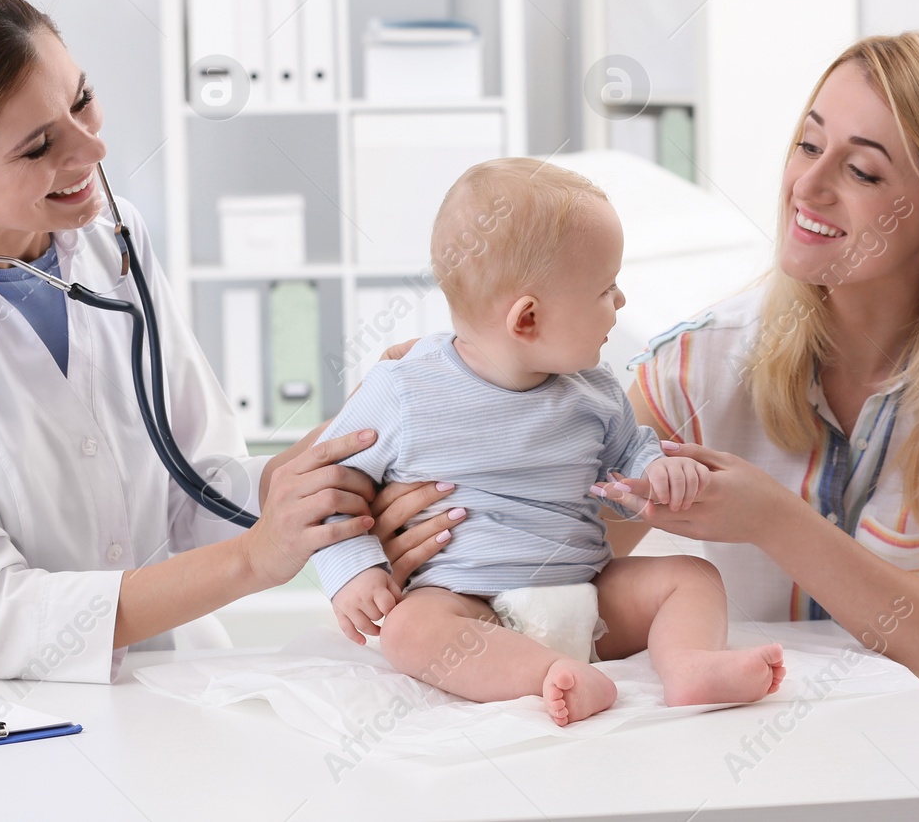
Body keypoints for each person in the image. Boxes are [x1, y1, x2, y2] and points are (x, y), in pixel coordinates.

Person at [381, 32, 919, 769]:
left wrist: (776, 522)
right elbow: (554, 554)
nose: (807, 188)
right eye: (809, 145)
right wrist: (446, 449)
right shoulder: (703, 363)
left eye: (863, 171)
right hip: (775, 753)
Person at [0, 0, 432, 682]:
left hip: (158, 683)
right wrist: (255, 557)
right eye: (39, 146)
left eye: (82, 100)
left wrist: (352, 442)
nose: (90, 150)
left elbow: (196, 489)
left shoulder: (109, 236)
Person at [310, 159, 786, 726]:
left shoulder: (595, 390)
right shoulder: (402, 389)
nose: (622, 302)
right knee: (411, 630)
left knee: (694, 576)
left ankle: (690, 664)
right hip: (470, 606)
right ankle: (544, 674)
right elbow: (328, 489)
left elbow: (628, 458)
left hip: (588, 594)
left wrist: (658, 471)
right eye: (606, 288)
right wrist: (353, 569)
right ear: (528, 318)